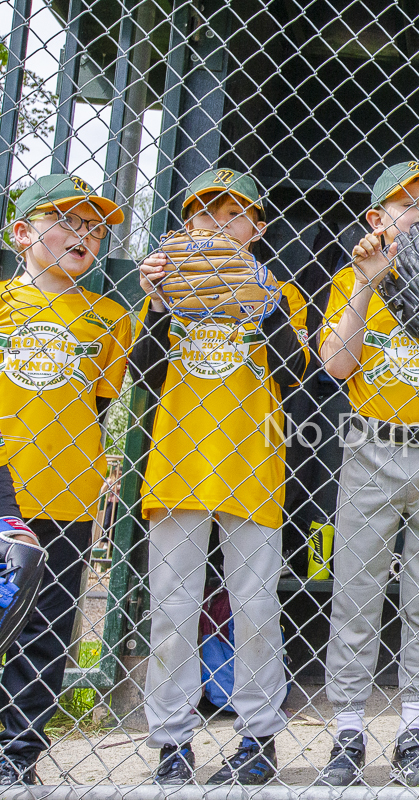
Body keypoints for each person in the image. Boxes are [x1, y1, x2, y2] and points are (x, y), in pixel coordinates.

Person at [132, 168, 308, 785]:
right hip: (177, 467)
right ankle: (173, 743)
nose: (217, 225)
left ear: (256, 229)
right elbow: (146, 376)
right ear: (186, 226)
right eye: (205, 214)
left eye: (233, 214)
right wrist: (157, 305)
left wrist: (258, 305)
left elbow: (295, 373)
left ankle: (258, 738)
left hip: (251, 467)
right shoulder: (167, 292)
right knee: (172, 613)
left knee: (256, 608)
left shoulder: (277, 291)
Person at [317, 157, 419, 787]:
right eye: (409, 203)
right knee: (356, 593)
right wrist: (367, 283)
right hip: (369, 445)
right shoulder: (348, 278)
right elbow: (337, 365)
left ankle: (413, 729)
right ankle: (348, 732)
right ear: (376, 217)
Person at [0, 174, 132, 784]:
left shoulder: (108, 317)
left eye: (94, 227)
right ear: (22, 232)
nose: (85, 234)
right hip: (6, 483)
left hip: (65, 495)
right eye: (68, 221)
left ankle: (16, 754)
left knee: (45, 627)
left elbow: (100, 406)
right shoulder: (4, 305)